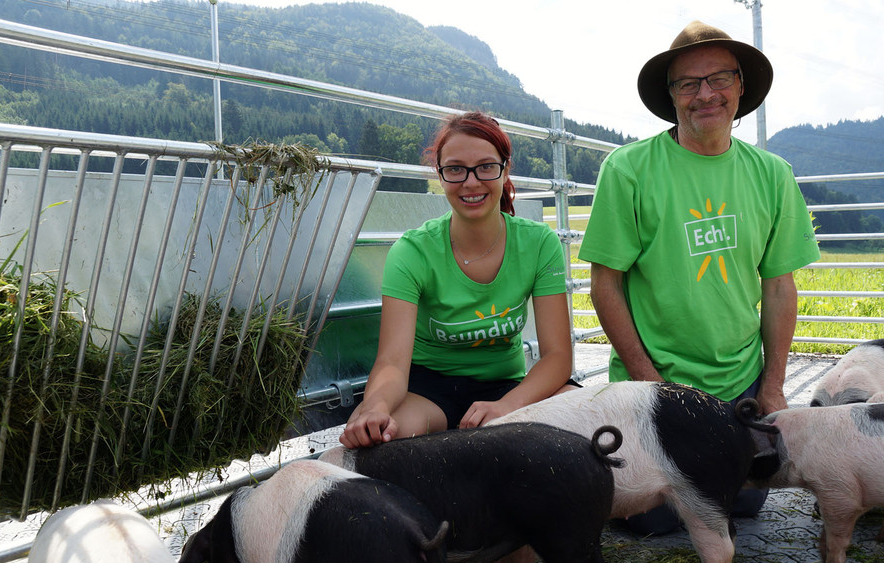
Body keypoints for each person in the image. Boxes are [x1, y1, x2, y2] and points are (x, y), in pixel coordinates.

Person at [579, 21, 821, 533]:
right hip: (657, 377)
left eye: (719, 79)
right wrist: (649, 383)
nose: (705, 94)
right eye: (688, 83)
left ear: (740, 86)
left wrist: (773, 386)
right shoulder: (628, 169)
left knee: (744, 506)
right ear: (671, 95)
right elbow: (606, 284)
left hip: (739, 382)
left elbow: (779, 286)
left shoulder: (773, 174)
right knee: (649, 521)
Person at [340, 111, 576, 449]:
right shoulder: (412, 252)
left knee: (587, 416)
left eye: (486, 167)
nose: (471, 182)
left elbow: (557, 356)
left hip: (507, 387)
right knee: (382, 436)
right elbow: (392, 362)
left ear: (505, 168)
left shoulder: (539, 244)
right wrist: (376, 407)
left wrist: (507, 407)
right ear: (439, 174)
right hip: (428, 392)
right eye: (455, 169)